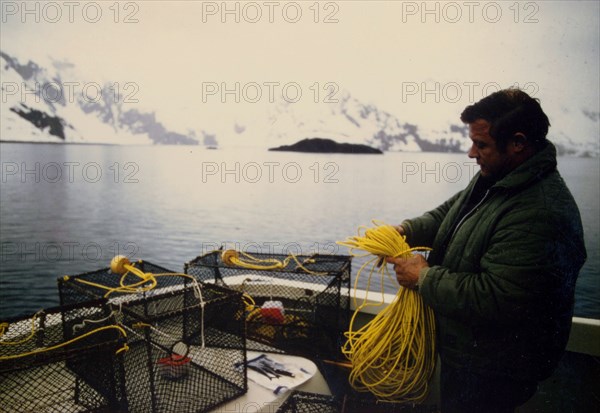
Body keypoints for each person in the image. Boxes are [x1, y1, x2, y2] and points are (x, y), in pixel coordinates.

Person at [386, 88, 586, 413]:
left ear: (518, 143)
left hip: (495, 372)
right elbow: (448, 215)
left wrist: (424, 277)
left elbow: (497, 297)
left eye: (481, 145)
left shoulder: (541, 212)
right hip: (467, 357)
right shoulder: (498, 177)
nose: (470, 153)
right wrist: (404, 231)